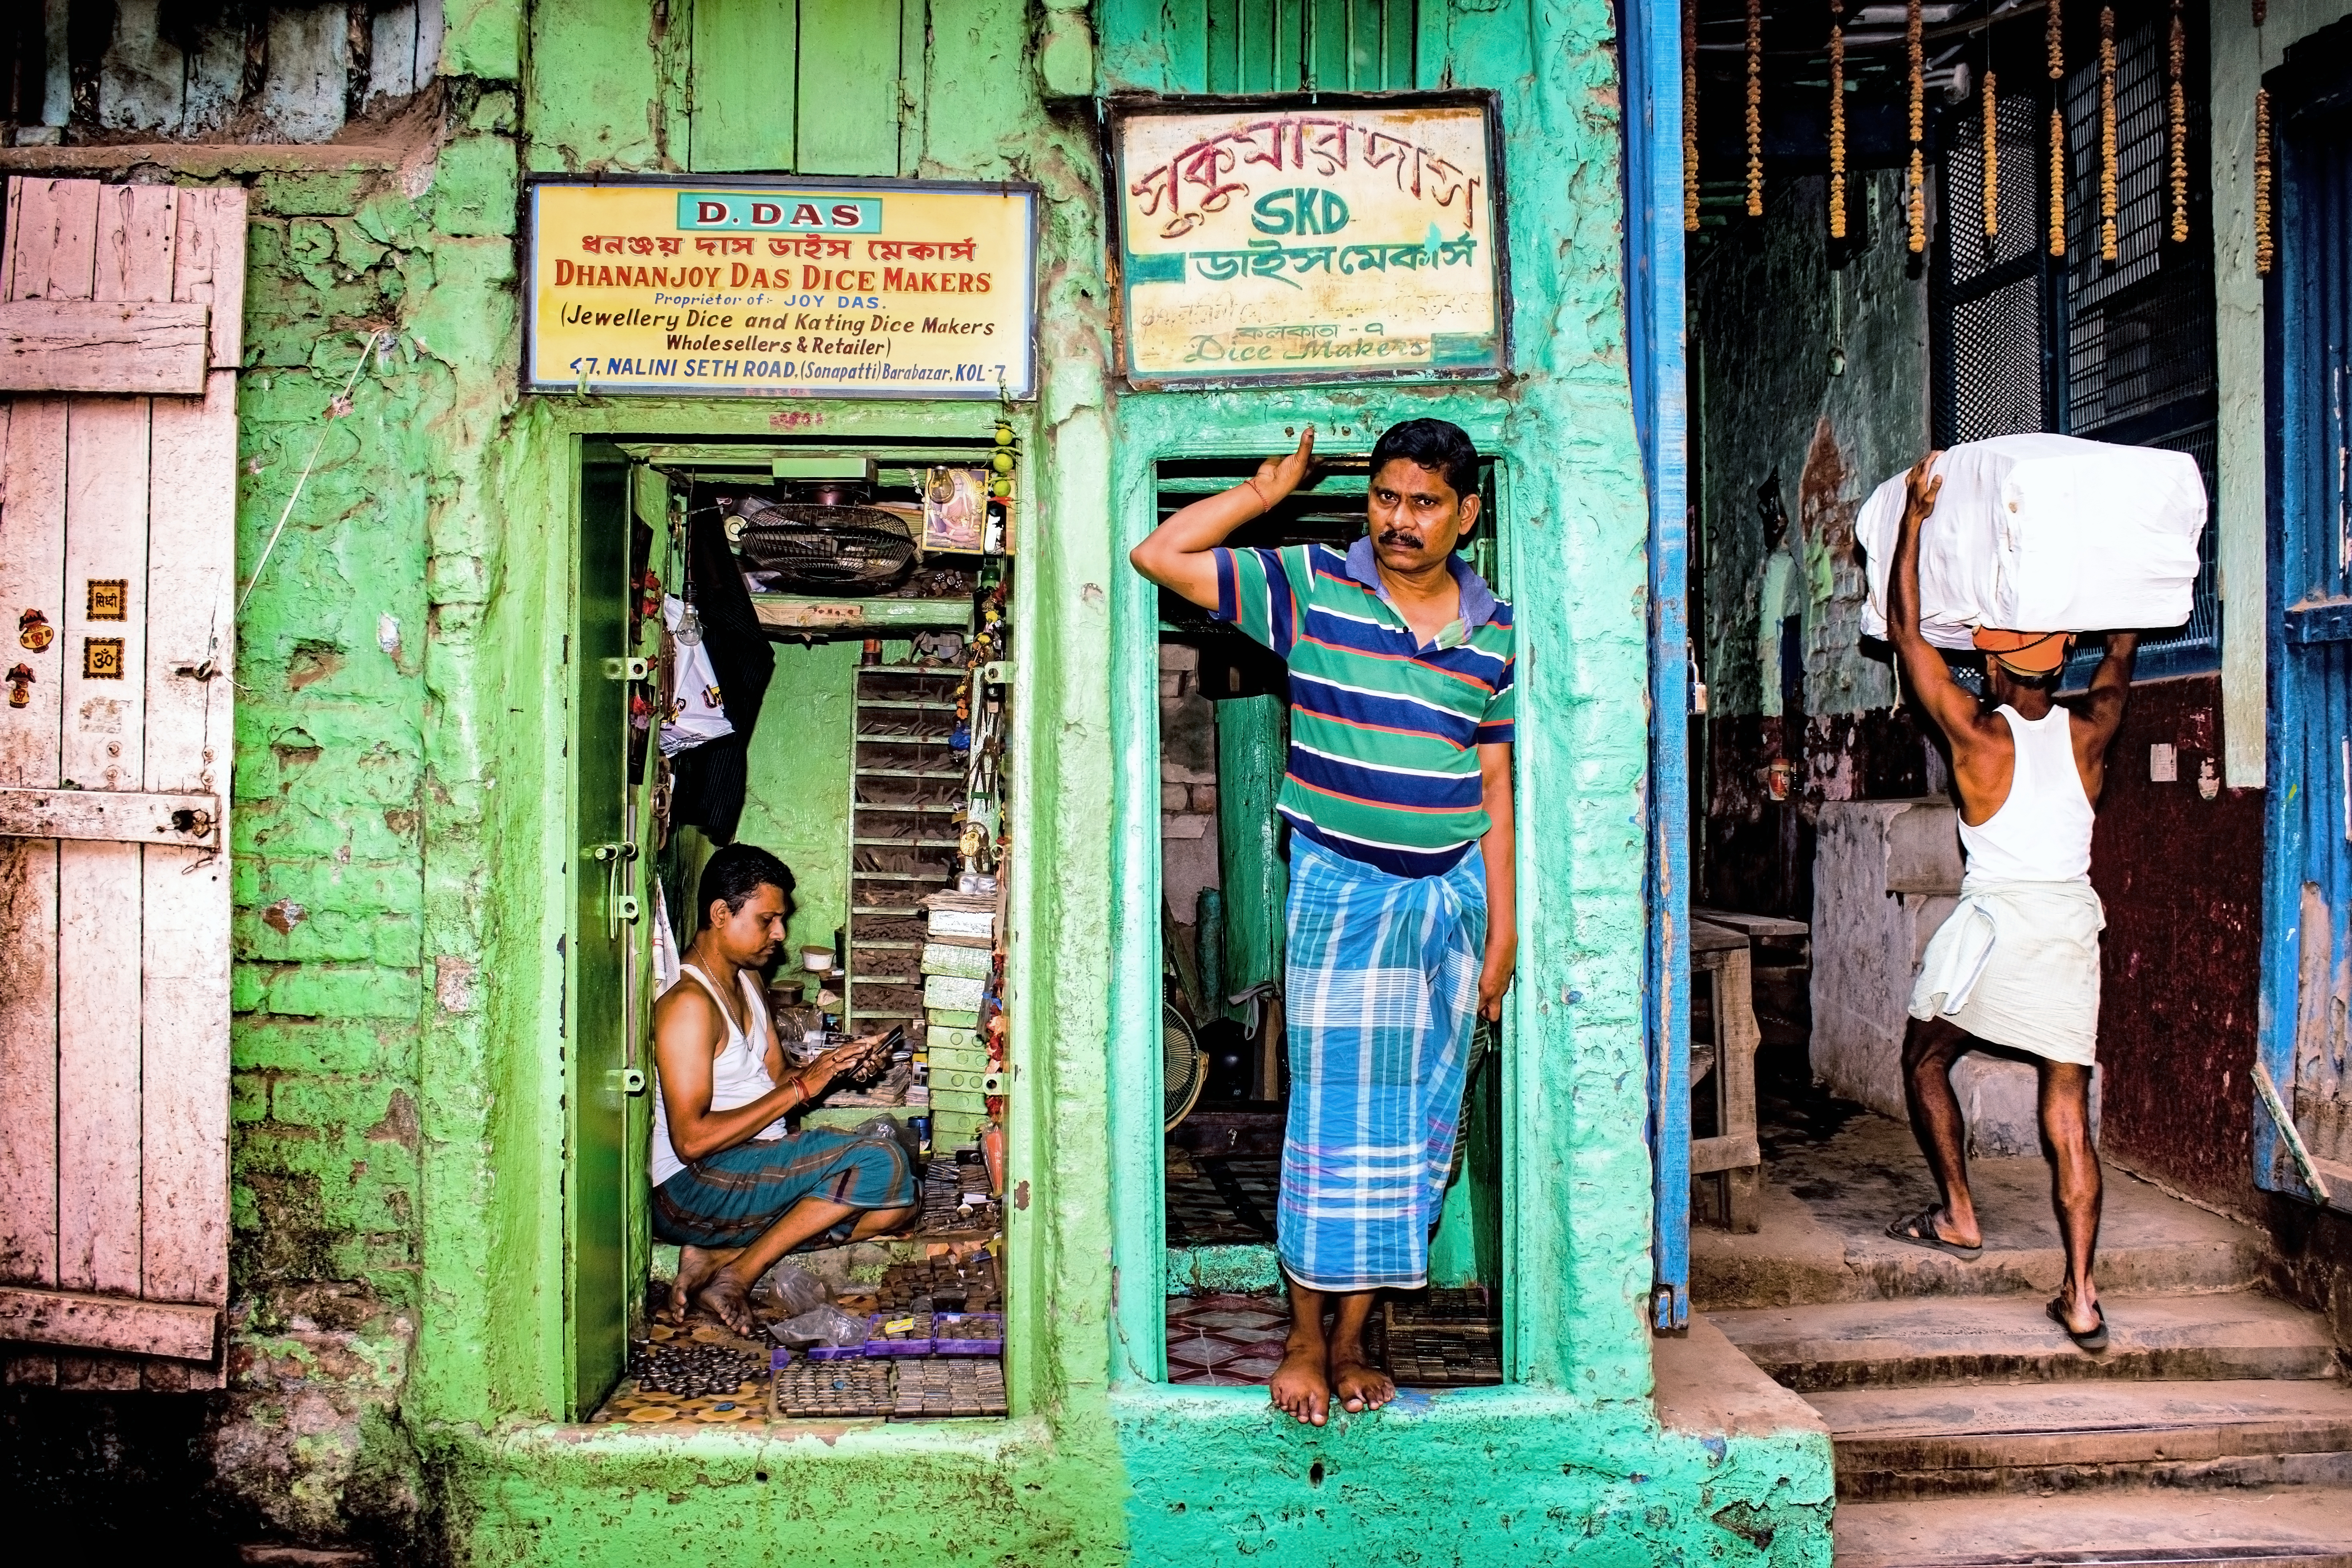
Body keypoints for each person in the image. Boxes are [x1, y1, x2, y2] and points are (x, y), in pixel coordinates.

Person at [1129, 417, 1518, 1424]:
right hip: (1344, 892)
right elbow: (1160, 554)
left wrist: (1503, 926)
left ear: (1466, 515)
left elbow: (1493, 777)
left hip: (1452, 899)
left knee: (1423, 1136)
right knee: (1335, 1133)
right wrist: (1265, 493)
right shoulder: (1313, 585)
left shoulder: (1495, 631)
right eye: (1386, 497)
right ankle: (1304, 1338)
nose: (1399, 519)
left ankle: (1355, 1341)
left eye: (1424, 503)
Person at [1879, 452, 2138, 1351]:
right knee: (2066, 1106)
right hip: (2069, 925)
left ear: (1992, 668)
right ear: (2055, 665)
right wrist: (2106, 568)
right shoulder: (2095, 727)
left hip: (1993, 929)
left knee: (1922, 1059)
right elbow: (2123, 641)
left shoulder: (1975, 733)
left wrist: (1916, 519)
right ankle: (2081, 1294)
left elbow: (1909, 633)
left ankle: (1958, 1210)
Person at [652, 843, 918, 1334]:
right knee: (883, 1163)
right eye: (767, 920)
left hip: (748, 1166)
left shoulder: (747, 978)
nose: (780, 934)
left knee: (898, 1206)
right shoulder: (689, 1005)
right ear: (719, 914)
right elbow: (689, 1140)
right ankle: (737, 1272)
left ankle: (721, 1254)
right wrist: (801, 1088)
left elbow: (775, 1079)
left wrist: (837, 1069)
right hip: (691, 1188)